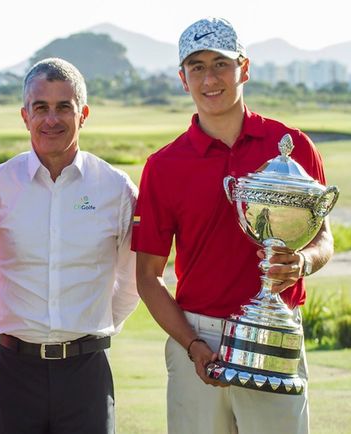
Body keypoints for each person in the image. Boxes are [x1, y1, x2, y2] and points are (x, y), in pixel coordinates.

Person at [132, 17, 334, 434]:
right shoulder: (163, 166)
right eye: (197, 67)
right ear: (182, 78)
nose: (210, 78)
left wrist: (302, 264)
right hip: (198, 334)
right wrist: (191, 344)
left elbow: (323, 239)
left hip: (275, 331)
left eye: (221, 64)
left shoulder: (292, 146)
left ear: (244, 68)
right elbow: (148, 277)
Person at [0, 57, 139, 434]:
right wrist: (2, 330)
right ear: (25, 115)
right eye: (40, 108)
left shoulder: (116, 189)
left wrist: (92, 328)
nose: (51, 119)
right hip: (13, 372)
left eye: (64, 107)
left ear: (84, 114)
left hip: (86, 372)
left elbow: (133, 280)